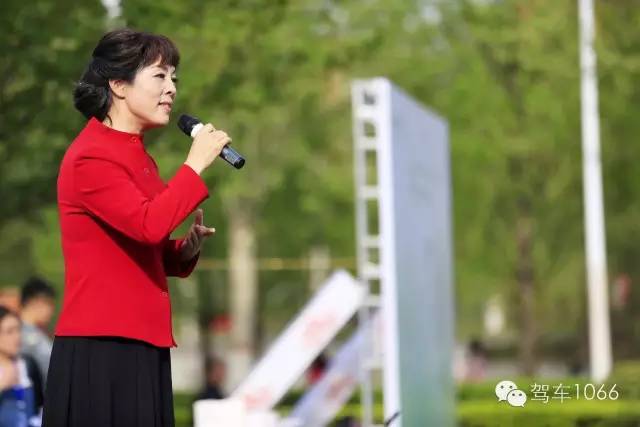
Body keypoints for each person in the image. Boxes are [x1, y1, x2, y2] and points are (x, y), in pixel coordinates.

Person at [42, 28, 231, 427]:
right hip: (103, 345)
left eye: (174, 78)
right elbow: (148, 225)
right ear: (118, 84)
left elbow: (143, 242)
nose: (171, 88)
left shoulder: (139, 158)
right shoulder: (91, 156)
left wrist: (182, 251)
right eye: (160, 76)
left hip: (143, 341)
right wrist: (194, 164)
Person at [0, 306, 40, 427]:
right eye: (10, 331)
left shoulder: (28, 364)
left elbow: (39, 406)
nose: (17, 336)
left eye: (18, 330)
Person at [19, 277, 56, 389]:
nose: (52, 310)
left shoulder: (39, 333)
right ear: (34, 302)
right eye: (49, 303)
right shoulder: (16, 333)